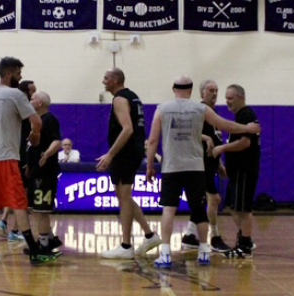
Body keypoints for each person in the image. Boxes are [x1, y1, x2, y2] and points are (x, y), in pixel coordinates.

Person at [146, 76, 261, 269]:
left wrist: (150, 166)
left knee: (169, 209)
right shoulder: (200, 109)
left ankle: (165, 253)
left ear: (173, 89)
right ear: (192, 91)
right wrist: (247, 128)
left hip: (172, 167)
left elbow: (152, 141)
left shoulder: (162, 109)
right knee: (199, 209)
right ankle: (204, 251)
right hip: (195, 167)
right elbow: (225, 124)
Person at [0, 56, 60, 264]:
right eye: (18, 74)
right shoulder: (16, 95)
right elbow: (37, 121)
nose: (20, 78)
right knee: (19, 203)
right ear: (9, 74)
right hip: (7, 158)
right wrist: (35, 135)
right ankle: (35, 250)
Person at [97, 67, 160, 259]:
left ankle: (126, 246)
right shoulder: (134, 97)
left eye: (106, 78)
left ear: (116, 80)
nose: (103, 81)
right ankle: (149, 235)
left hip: (125, 153)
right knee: (124, 197)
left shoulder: (120, 99)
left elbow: (127, 129)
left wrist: (110, 154)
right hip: (132, 151)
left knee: (123, 198)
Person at [212, 84, 261, 259]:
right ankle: (245, 238)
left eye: (230, 98)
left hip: (244, 170)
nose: (227, 101)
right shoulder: (240, 116)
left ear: (241, 98)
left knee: (243, 209)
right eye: (226, 98)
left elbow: (245, 143)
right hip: (237, 170)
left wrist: (222, 148)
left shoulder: (246, 115)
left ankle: (245, 245)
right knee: (232, 206)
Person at [181, 80, 231, 253]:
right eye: (211, 90)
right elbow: (188, 132)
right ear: (202, 93)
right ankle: (214, 236)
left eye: (216, 90)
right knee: (213, 199)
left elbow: (217, 139)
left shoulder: (213, 112)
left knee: (202, 200)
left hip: (210, 163)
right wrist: (206, 138)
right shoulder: (198, 110)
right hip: (199, 162)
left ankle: (190, 235)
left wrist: (220, 163)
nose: (214, 93)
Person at [0, 79, 36, 243]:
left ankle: (5, 222)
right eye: (32, 91)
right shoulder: (23, 109)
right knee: (21, 194)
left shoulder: (12, 107)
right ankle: (13, 229)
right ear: (25, 92)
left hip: (12, 153)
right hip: (21, 155)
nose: (34, 94)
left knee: (15, 192)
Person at [23, 91, 63, 253]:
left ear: (40, 103)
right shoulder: (36, 121)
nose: (29, 101)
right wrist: (29, 165)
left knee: (42, 209)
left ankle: (44, 244)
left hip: (45, 172)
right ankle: (50, 238)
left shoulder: (49, 119)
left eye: (32, 99)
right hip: (35, 171)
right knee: (34, 207)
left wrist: (46, 155)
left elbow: (57, 141)